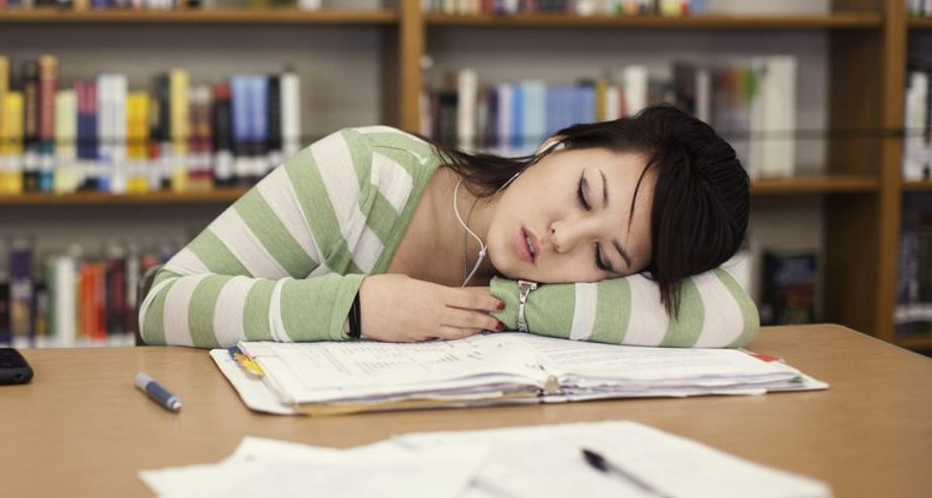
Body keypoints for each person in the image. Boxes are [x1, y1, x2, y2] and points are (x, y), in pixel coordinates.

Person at [141, 105, 756, 349]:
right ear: (558, 144)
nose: (565, 237)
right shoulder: (365, 171)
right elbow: (160, 305)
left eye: (606, 258)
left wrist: (511, 308)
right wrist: (355, 308)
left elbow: (735, 315)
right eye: (582, 193)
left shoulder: (567, 287)